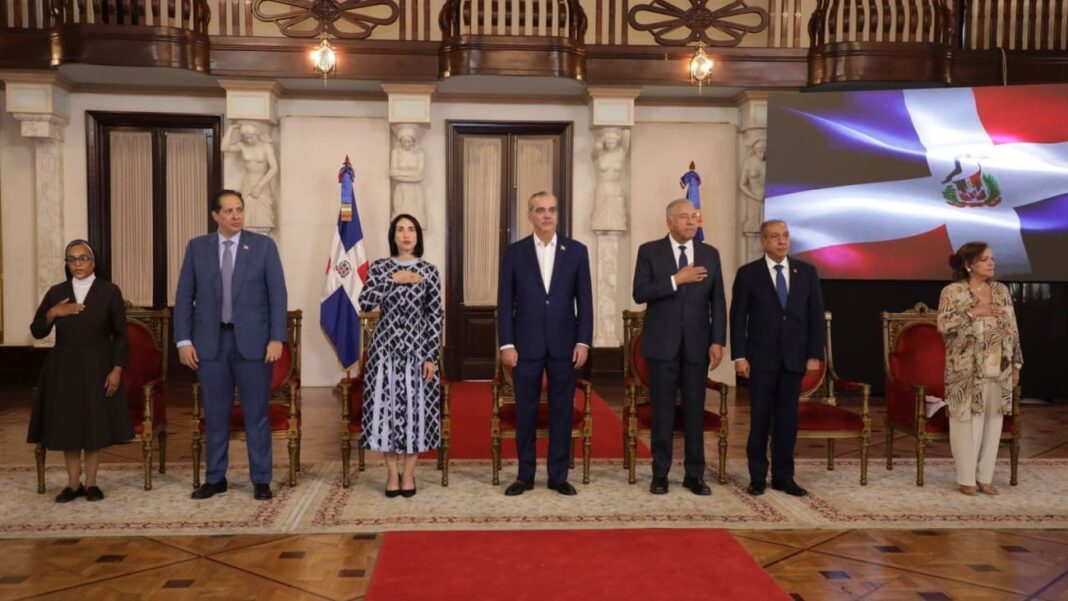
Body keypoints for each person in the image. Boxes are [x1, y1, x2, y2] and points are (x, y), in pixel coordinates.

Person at [175, 189, 288, 501]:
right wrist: (183, 340)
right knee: (215, 414)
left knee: (256, 414)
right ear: (215, 215)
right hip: (210, 343)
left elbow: (278, 295)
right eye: (229, 211)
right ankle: (215, 478)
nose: (236, 216)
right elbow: (185, 296)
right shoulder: (198, 248)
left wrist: (277, 337)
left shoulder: (263, 246)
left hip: (253, 344)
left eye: (239, 210)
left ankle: (261, 479)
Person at [497, 191, 593, 496]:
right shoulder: (515, 252)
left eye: (552, 209)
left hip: (565, 345)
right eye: (540, 210)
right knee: (525, 411)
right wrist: (507, 344)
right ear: (530, 215)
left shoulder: (577, 251)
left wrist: (583, 341)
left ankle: (558, 475)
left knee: (562, 411)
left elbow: (585, 302)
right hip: (525, 346)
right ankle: (525, 475)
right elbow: (504, 301)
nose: (547, 215)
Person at [632, 199, 726, 496]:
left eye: (694, 216)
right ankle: (660, 474)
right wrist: (676, 279)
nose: (690, 221)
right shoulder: (650, 251)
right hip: (662, 345)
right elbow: (640, 293)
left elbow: (719, 301)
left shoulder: (710, 254)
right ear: (669, 222)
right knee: (663, 412)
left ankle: (694, 475)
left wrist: (717, 340)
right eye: (684, 217)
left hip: (698, 346)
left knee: (695, 411)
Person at [28, 239, 133, 503]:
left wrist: (117, 369)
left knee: (93, 425)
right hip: (64, 366)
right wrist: (54, 312)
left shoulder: (109, 291)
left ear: (94, 261)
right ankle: (72, 485)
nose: (77, 264)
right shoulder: (56, 292)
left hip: (98, 364)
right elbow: (38, 330)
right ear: (66, 264)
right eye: (71, 259)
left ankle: (92, 484)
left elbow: (121, 336)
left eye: (83, 258)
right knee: (70, 425)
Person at [730, 219, 824, 497]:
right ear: (764, 242)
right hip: (760, 359)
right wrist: (739, 356)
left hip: (794, 359)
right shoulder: (748, 274)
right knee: (760, 419)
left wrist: (814, 355)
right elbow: (738, 319)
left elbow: (815, 317)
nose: (782, 241)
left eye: (785, 236)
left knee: (787, 421)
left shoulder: (806, 272)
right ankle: (757, 477)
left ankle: (784, 477)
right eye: (775, 237)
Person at [358, 214, 442, 498]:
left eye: (411, 230)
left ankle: (410, 474)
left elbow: (434, 317)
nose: (406, 234)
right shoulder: (380, 268)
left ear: (418, 236)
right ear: (393, 236)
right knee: (387, 415)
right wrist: (393, 279)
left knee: (416, 414)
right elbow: (366, 301)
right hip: (385, 353)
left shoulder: (430, 271)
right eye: (400, 230)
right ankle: (392, 475)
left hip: (419, 354)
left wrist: (432, 357)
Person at [937, 242, 1022, 496]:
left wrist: (1016, 364)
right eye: (984, 259)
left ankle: (985, 477)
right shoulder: (952, 291)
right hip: (964, 370)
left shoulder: (1001, 291)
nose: (991, 263)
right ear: (968, 264)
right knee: (966, 422)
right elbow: (943, 324)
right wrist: (976, 312)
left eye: (992, 259)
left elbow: (1013, 329)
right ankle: (966, 479)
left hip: (999, 367)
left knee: (993, 421)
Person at [221, 122, 279, 231]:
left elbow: (274, 168)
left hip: (263, 183)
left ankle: (262, 237)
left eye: (251, 137)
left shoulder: (266, 147)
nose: (249, 140)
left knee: (263, 218)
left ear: (257, 134)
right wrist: (231, 129)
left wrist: (259, 186)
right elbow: (224, 148)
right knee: (247, 218)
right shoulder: (242, 145)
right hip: (248, 183)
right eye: (246, 138)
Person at [591, 127, 631, 231]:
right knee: (598, 222)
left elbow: (627, 133)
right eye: (608, 142)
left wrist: (618, 127)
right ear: (604, 141)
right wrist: (602, 138)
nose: (611, 145)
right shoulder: (598, 154)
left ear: (617, 141)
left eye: (613, 142)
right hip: (602, 188)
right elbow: (596, 148)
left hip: (616, 189)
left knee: (618, 223)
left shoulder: (621, 153)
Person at [390, 126, 428, 231]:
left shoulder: (419, 154)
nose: (407, 144)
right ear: (400, 141)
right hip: (401, 189)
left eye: (409, 141)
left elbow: (420, 176)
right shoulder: (395, 153)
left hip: (416, 191)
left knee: (417, 219)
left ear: (413, 141)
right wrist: (412, 174)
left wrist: (401, 175)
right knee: (399, 218)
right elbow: (393, 173)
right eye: (404, 141)